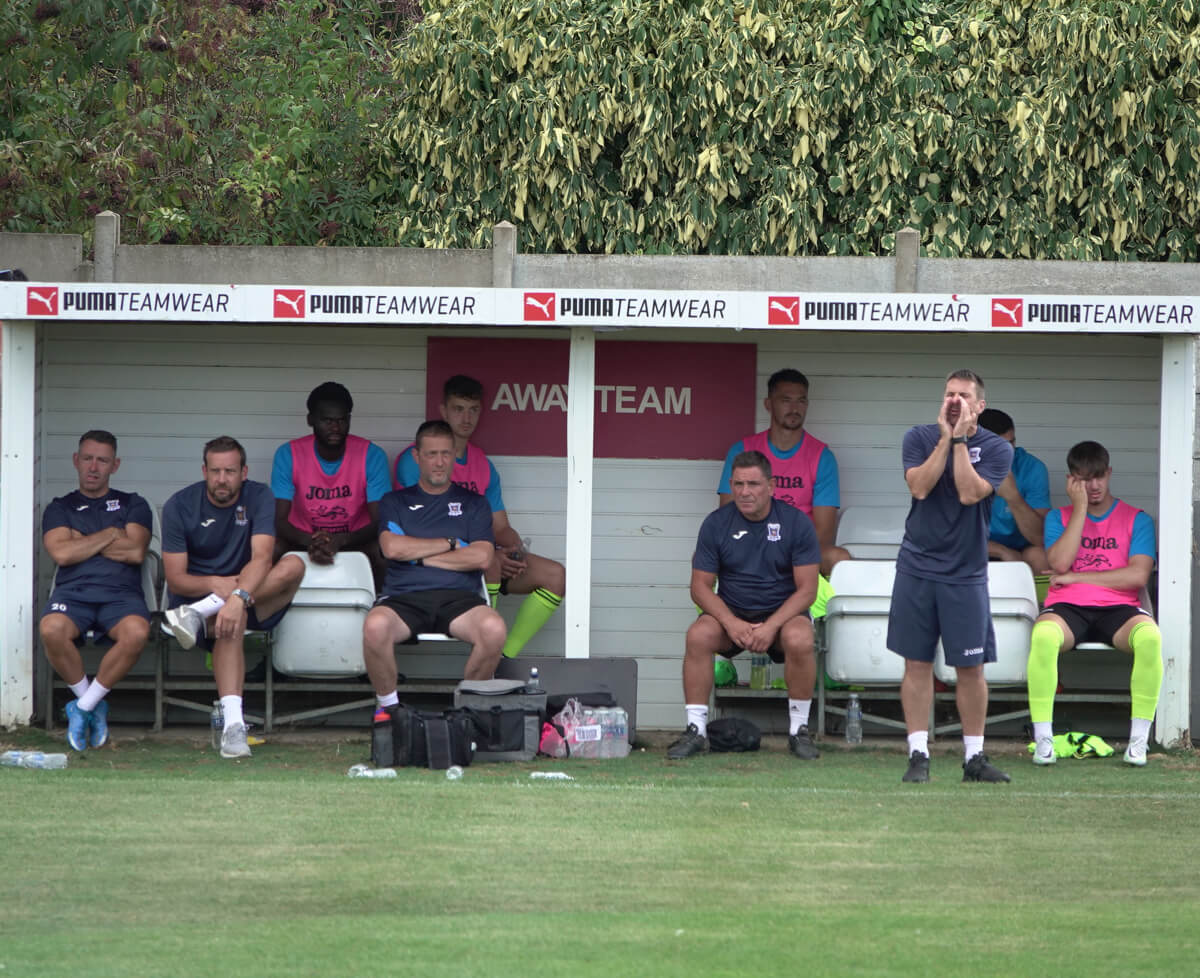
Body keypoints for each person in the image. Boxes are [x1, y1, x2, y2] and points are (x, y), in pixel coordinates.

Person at [888, 369, 1014, 784]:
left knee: (971, 668)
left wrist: (961, 440)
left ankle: (974, 758)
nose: (955, 401)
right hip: (917, 567)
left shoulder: (997, 448)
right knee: (917, 663)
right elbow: (919, 487)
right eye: (949, 394)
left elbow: (969, 492)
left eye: (963, 395)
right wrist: (946, 438)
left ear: (980, 405)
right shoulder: (918, 437)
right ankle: (917, 753)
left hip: (966, 573)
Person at [394, 374, 565, 657]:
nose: (466, 417)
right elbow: (422, 527)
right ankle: (487, 649)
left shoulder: (482, 463)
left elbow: (500, 525)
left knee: (555, 575)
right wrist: (488, 554)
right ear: (443, 411)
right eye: (459, 408)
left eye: (473, 410)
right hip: (434, 562)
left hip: (484, 559)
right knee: (490, 563)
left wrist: (512, 548)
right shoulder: (418, 459)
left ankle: (503, 658)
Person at [668, 449, 822, 760]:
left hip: (781, 618)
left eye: (753, 484)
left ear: (772, 485)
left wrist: (772, 626)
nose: (745, 492)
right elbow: (699, 587)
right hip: (733, 616)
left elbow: (808, 590)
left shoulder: (796, 524)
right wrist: (731, 622)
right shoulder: (716, 524)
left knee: (801, 637)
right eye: (738, 484)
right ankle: (696, 730)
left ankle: (799, 731)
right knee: (698, 635)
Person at [161, 436, 305, 759]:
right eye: (215, 471)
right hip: (194, 597)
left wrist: (237, 596)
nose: (222, 479)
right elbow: (176, 578)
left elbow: (262, 558)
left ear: (244, 471)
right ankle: (233, 729)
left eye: (229, 471)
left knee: (293, 565)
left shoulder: (259, 496)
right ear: (204, 470)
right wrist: (216, 584)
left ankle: (201, 613)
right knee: (230, 623)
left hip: (248, 594)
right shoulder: (179, 505)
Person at [1027, 441, 1161, 767]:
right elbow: (1059, 564)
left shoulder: (1137, 519)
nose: (1094, 485)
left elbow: (1138, 576)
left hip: (1118, 608)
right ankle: (1043, 740)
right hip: (1069, 607)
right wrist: (1081, 509)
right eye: (1084, 478)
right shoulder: (1059, 517)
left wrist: (1078, 578)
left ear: (1109, 473)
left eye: (1099, 476)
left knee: (1150, 638)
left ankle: (1138, 742)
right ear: (1072, 480)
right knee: (1043, 637)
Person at [364, 420, 507, 706]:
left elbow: (482, 556)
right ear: (417, 457)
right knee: (374, 627)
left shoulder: (475, 503)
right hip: (405, 597)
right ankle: (390, 711)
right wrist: (452, 543)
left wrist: (418, 556)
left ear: (454, 455)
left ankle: (468, 711)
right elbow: (391, 548)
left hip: (460, 599)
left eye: (445, 454)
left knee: (495, 629)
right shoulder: (394, 501)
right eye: (431, 454)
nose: (439, 462)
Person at [39, 431, 153, 752]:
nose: (93, 467)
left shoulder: (133, 502)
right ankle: (94, 705)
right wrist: (111, 534)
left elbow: (135, 553)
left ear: (114, 465)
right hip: (73, 594)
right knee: (50, 629)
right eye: (87, 458)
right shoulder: (60, 507)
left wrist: (82, 540)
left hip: (121, 594)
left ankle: (83, 707)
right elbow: (61, 554)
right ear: (76, 461)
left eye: (102, 460)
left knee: (137, 633)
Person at [718, 368, 849, 576]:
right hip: (749, 546)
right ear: (769, 405)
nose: (795, 408)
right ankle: (719, 608)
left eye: (801, 401)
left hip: (799, 552)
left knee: (838, 557)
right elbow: (725, 517)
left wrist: (785, 555)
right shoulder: (742, 450)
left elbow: (824, 533)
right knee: (704, 556)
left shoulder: (821, 456)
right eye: (786, 400)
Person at [271, 381, 390, 582]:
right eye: (327, 420)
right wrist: (310, 541)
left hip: (354, 539)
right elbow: (278, 519)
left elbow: (381, 520)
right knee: (272, 547)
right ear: (310, 420)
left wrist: (342, 540)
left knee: (383, 549)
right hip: (303, 538)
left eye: (341, 420)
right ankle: (269, 609)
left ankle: (382, 604)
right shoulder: (288, 454)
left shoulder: (371, 455)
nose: (335, 427)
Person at [977, 408, 1051, 573]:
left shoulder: (1032, 467)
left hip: (1021, 549)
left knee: (1040, 557)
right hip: (973, 548)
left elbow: (1039, 538)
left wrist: (1013, 497)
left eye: (1011, 443)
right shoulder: (956, 468)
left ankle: (1037, 600)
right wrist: (1001, 551)